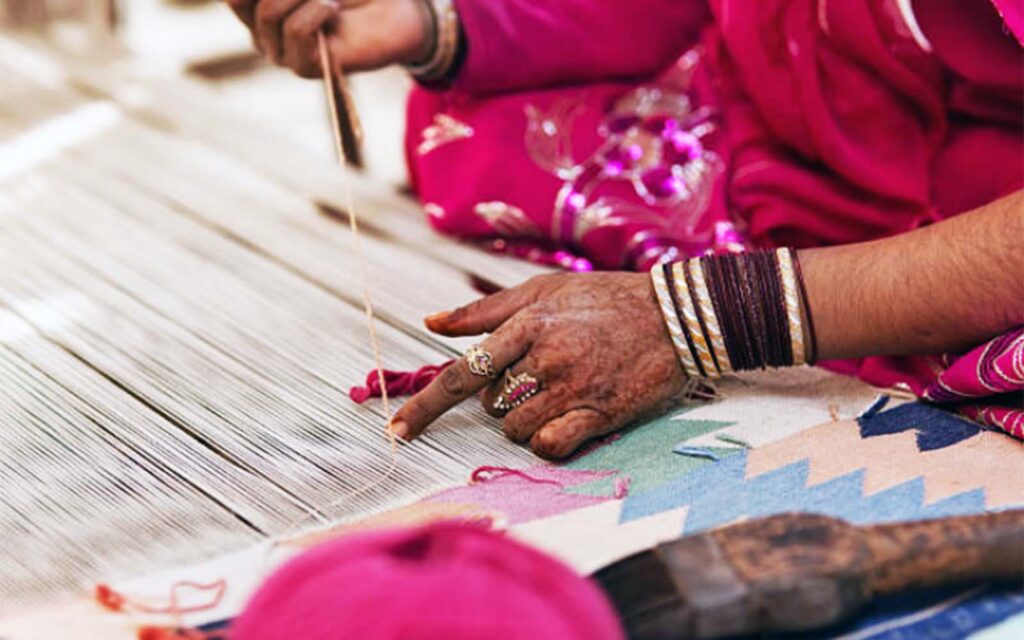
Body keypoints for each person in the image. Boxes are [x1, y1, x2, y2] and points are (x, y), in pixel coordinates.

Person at [226, 0, 1023, 458]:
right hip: (812, 93)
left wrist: (712, 315)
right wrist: (437, 22)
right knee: (499, 137)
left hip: (992, 207)